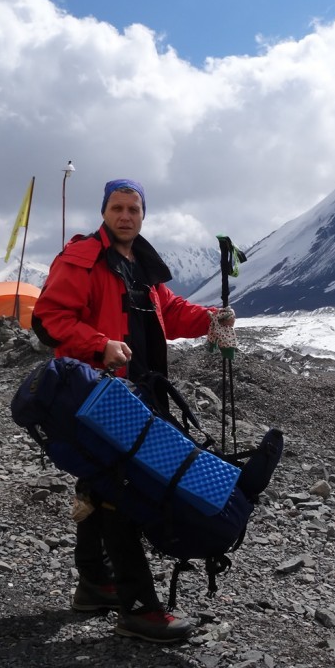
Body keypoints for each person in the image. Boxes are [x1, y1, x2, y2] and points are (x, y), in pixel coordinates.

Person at [32, 178, 235, 644]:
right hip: (102, 395)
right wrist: (99, 345)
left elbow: (171, 312)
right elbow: (49, 318)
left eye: (134, 209)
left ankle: (94, 584)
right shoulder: (83, 258)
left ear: (143, 215)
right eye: (118, 208)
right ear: (104, 212)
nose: (126, 216)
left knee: (102, 486)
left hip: (140, 394)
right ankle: (138, 607)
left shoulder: (141, 263)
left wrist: (210, 319)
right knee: (123, 492)